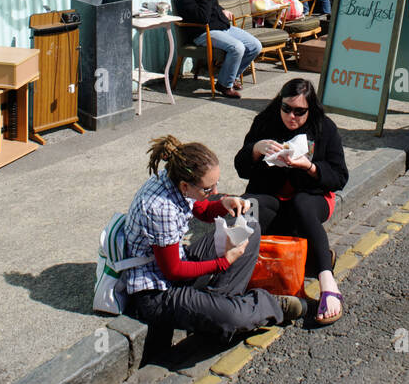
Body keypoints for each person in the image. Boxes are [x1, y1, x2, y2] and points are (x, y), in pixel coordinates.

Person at [123, 135, 300, 341]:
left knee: (250, 227)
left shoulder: (175, 179)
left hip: (177, 262)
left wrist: (224, 203)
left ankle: (215, 309)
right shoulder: (161, 208)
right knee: (233, 317)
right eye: (208, 188)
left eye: (216, 184)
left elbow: (201, 210)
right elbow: (173, 271)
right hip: (157, 291)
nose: (215, 191)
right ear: (185, 186)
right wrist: (223, 263)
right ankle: (260, 306)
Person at [236, 79, 349, 326]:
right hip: (271, 196)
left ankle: (327, 282)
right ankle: (236, 274)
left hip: (311, 196)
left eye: (300, 112)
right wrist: (256, 149)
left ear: (311, 109)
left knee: (302, 206)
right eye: (286, 108)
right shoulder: (265, 122)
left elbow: (340, 176)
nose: (292, 116)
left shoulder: (324, 128)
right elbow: (241, 168)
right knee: (246, 206)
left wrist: (309, 167)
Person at [172, 0, 262, 98]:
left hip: (222, 26)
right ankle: (225, 86)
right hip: (203, 32)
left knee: (255, 46)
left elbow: (213, 4)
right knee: (237, 47)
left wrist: (222, 10)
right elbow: (203, 18)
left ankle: (229, 78)